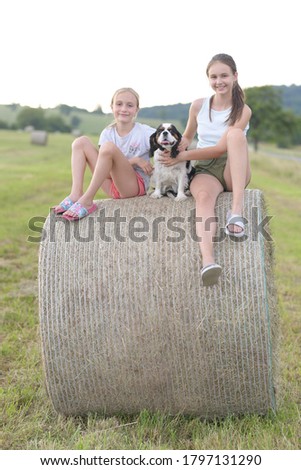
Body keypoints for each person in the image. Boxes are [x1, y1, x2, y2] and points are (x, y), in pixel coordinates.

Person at [159, 53, 252, 286]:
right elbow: (189, 135)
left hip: (233, 165)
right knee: (202, 197)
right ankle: (208, 262)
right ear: (208, 79)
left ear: (235, 76)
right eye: (213, 77)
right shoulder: (198, 106)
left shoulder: (243, 110)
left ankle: (236, 212)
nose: (219, 81)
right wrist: (174, 150)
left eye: (224, 76)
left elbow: (220, 149)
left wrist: (187, 155)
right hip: (205, 169)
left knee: (235, 135)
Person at [53, 87, 155, 220]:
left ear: (136, 109)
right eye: (119, 104)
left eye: (129, 105)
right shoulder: (107, 133)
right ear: (112, 107)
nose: (124, 108)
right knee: (80, 142)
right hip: (111, 185)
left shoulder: (145, 132)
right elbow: (106, 172)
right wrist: (135, 160)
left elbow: (176, 140)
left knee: (108, 148)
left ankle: (87, 200)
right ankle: (76, 193)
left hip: (133, 187)